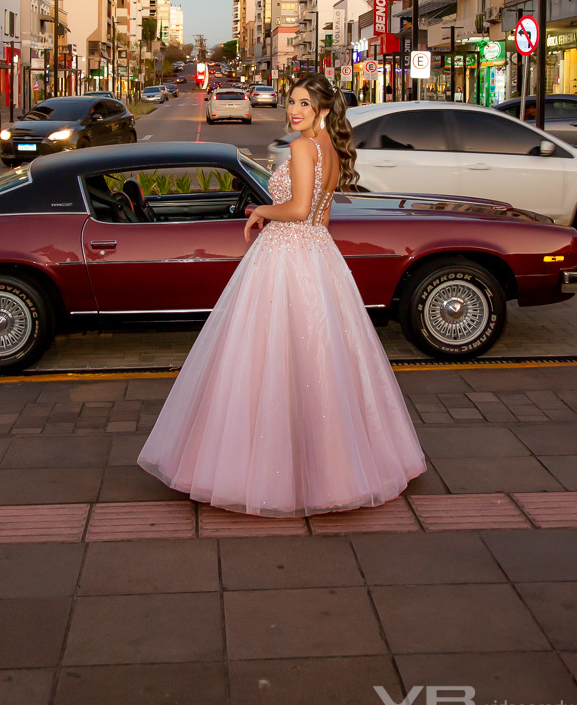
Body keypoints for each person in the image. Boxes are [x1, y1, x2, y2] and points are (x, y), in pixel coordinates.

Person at [138, 73, 426, 517]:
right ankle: (333, 471)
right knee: (321, 363)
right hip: (318, 256)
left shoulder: (301, 147)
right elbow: (321, 217)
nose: (294, 110)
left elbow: (295, 208)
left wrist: (259, 211)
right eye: (292, 102)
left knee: (267, 359)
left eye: (305, 104)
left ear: (324, 110)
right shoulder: (330, 149)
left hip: (287, 255)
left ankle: (268, 472)